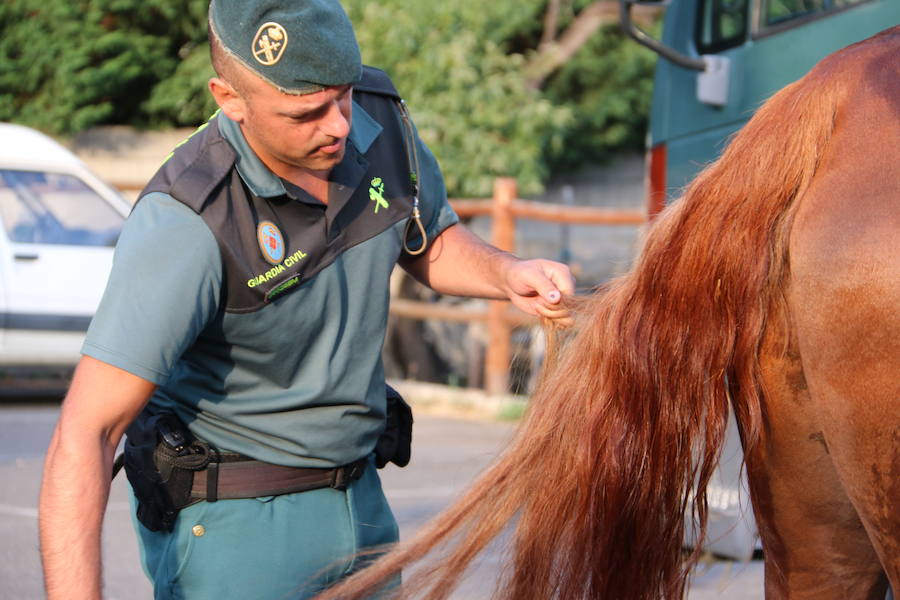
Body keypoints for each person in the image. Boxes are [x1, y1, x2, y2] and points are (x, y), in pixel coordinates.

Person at [38, 1, 574, 598]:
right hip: (238, 523)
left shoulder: (378, 119)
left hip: (361, 503)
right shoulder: (187, 221)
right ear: (229, 98)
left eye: (342, 95)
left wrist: (507, 272)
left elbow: (426, 236)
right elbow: (84, 434)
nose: (340, 125)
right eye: (307, 111)